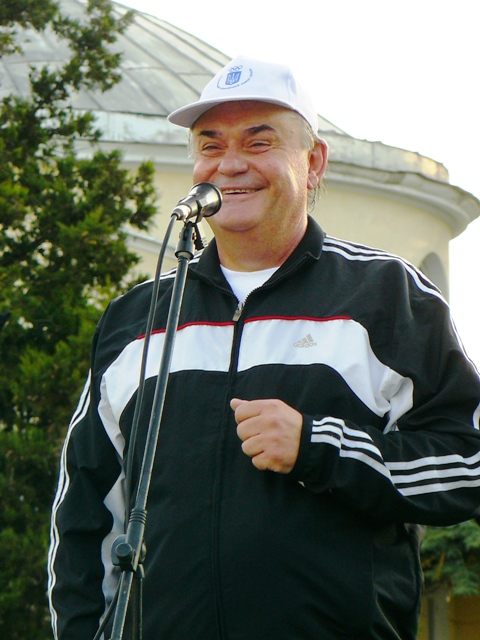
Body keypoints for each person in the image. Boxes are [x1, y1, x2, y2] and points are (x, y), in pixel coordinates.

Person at [48, 55, 480, 640]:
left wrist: (320, 447)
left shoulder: (387, 297)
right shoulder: (136, 319)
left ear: (313, 161)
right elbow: (84, 513)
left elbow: (467, 465)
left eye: (259, 142)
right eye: (210, 145)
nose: (230, 164)